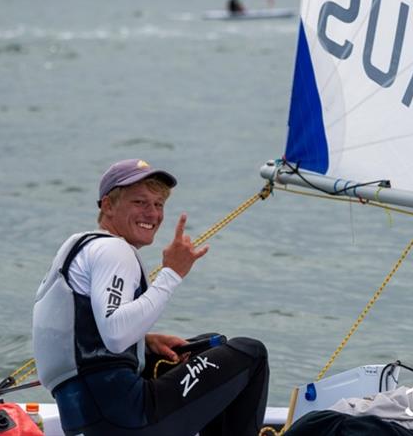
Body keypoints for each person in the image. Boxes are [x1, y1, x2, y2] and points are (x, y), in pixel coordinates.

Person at [33, 158, 269, 436]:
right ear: (108, 205)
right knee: (250, 353)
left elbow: (81, 335)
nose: (152, 214)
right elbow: (116, 333)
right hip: (127, 419)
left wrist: (143, 342)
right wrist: (171, 274)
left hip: (88, 420)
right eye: (140, 202)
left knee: (204, 349)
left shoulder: (80, 247)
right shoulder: (113, 251)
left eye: (158, 205)